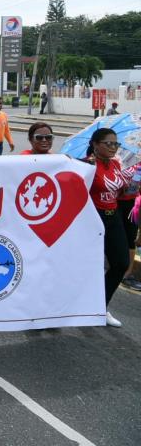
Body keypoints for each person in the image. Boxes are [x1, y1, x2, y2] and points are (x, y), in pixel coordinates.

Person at [83, 128, 131, 327]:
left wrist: (132, 184)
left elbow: (118, 192)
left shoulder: (115, 164)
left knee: (120, 263)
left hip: (114, 217)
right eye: (108, 143)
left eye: (115, 144)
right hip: (93, 219)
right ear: (95, 144)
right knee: (87, 267)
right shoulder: (86, 165)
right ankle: (71, 307)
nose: (113, 147)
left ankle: (101, 307)